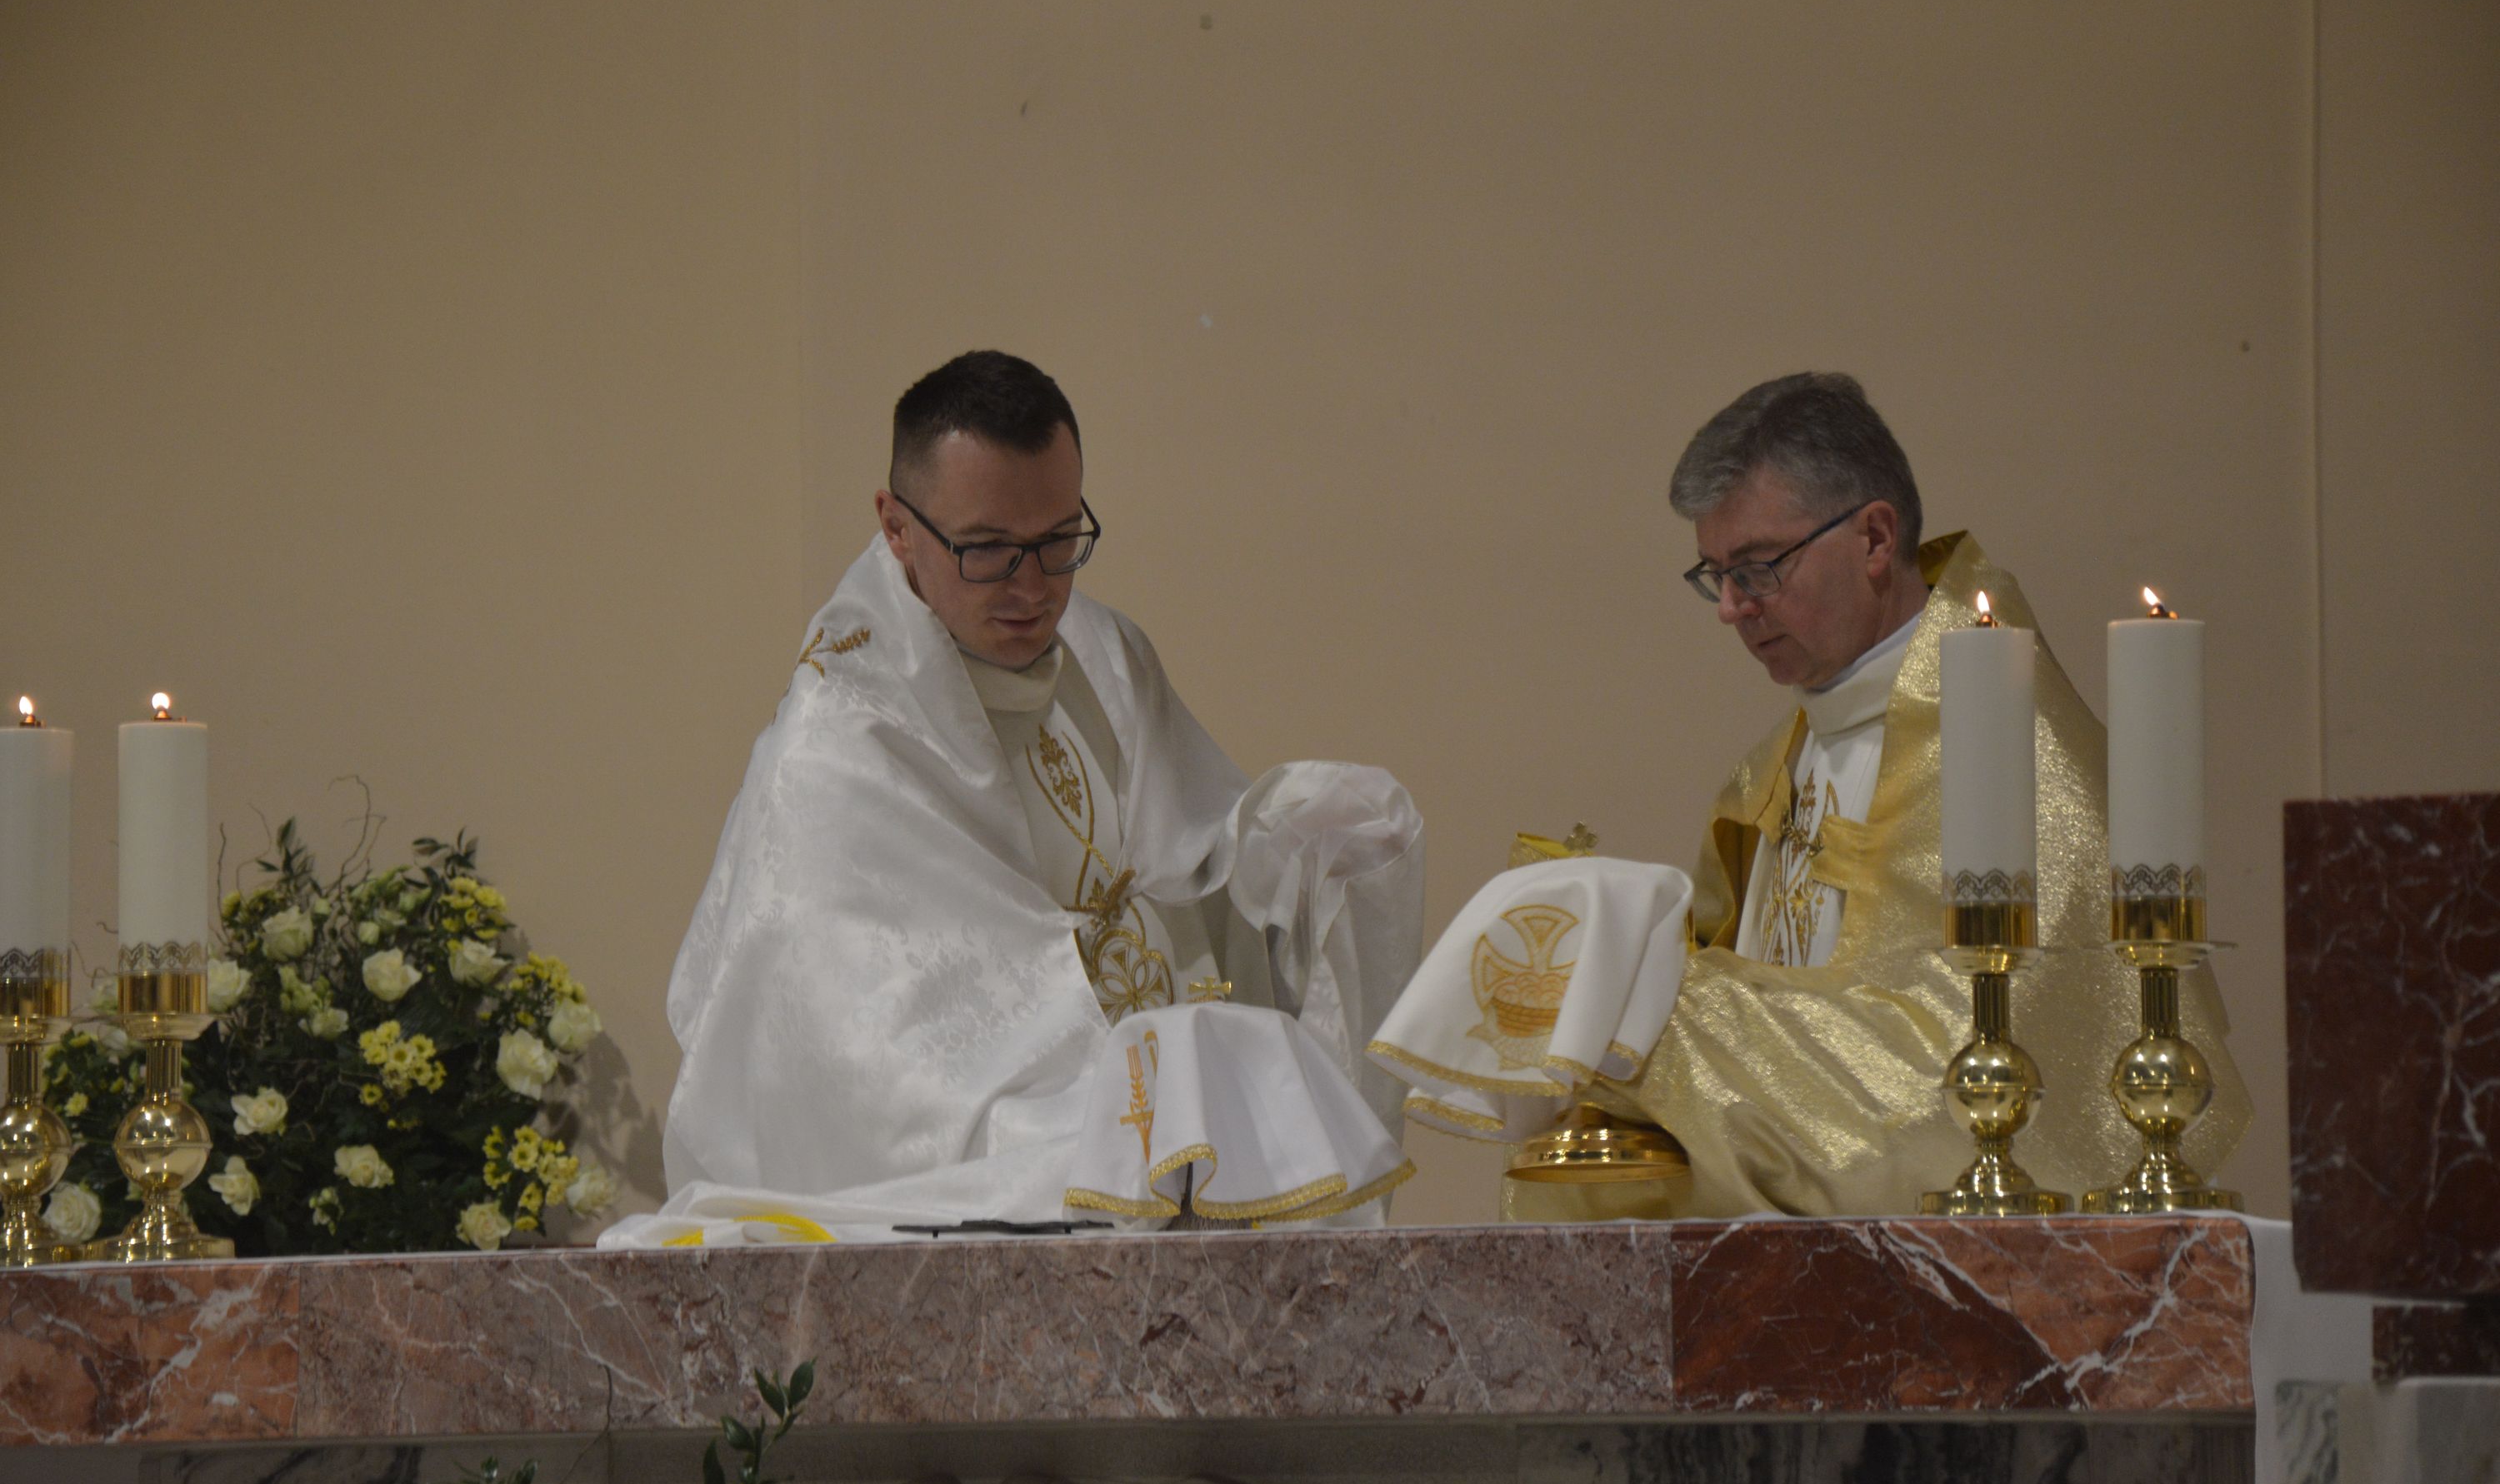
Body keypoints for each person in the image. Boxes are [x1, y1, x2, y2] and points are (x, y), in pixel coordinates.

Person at [1385, 372, 2248, 1217]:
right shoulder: (1775, 770)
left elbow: (1945, 1099)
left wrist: (1649, 1004)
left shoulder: (2012, 752)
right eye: (1716, 575)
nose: (1732, 607)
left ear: (1874, 539)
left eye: (1759, 568)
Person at [621, 352, 1421, 1243]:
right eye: (989, 550)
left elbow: (1199, 877)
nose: (1034, 589)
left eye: (1058, 540)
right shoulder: (837, 744)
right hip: (995, 1159)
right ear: (896, 527)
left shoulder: (1106, 656)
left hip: (1163, 1159)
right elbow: (867, 1073)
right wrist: (1104, 1101)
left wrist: (1296, 844)